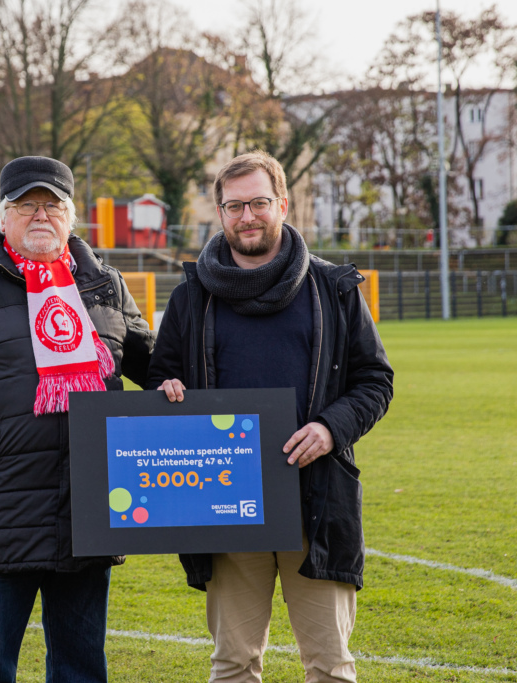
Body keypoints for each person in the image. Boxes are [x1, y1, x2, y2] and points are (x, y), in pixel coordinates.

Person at [0, 156, 155, 683]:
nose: (40, 216)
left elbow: (155, 367)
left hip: (88, 509)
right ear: (3, 218)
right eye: (25, 206)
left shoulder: (105, 285)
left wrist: (171, 382)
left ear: (70, 217)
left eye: (52, 205)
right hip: (3, 511)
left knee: (81, 670)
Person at [147, 151, 394, 683]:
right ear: (219, 213)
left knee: (329, 666)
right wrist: (164, 390)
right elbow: (159, 376)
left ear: (282, 204)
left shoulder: (333, 289)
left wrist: (331, 428)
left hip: (317, 499)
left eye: (259, 202)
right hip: (224, 502)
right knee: (233, 664)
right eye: (234, 206)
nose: (248, 216)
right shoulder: (191, 297)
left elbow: (375, 380)